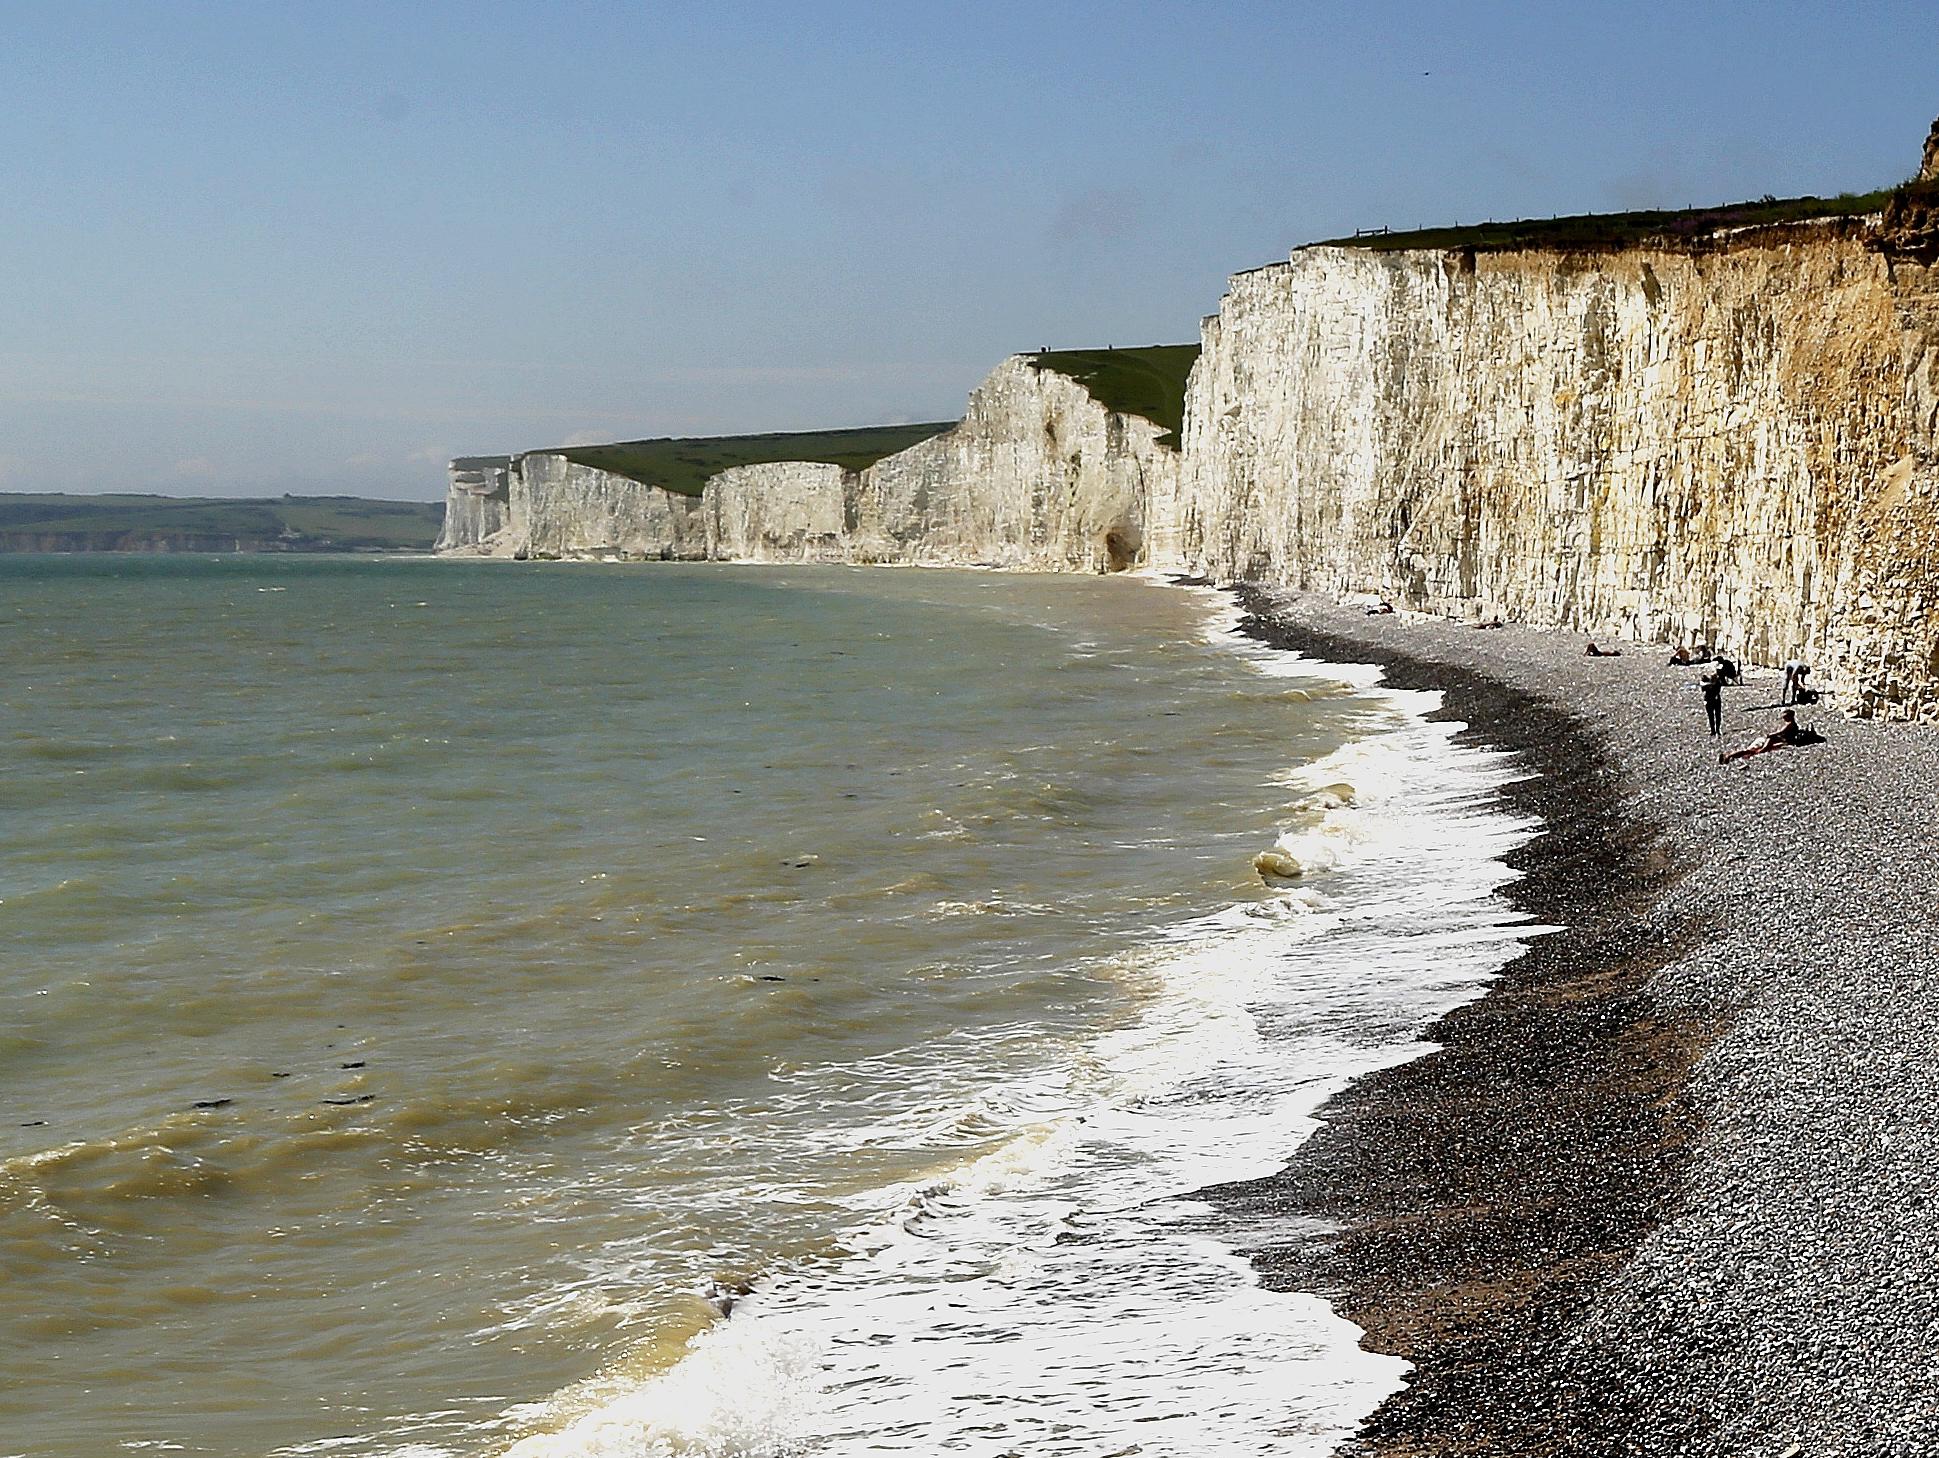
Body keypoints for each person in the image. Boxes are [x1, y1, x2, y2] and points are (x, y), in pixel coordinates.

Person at [1720, 709, 1805, 764]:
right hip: (1778, 740)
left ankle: (1730, 756)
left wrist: (1770, 735)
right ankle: (1730, 756)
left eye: (1785, 716)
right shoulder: (1791, 724)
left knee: (1754, 750)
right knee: (1751, 750)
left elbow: (1780, 732)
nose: (1783, 718)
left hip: (1776, 740)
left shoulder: (1789, 725)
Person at [1701, 669, 1725, 738]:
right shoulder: (1707, 683)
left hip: (1714, 700)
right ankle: (1713, 730)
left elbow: (1717, 688)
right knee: (1712, 716)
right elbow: (1703, 687)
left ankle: (1716, 730)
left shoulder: (1717, 683)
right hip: (1710, 700)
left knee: (1716, 716)